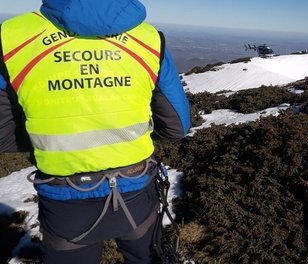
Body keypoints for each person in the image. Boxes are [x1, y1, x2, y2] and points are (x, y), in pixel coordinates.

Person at [0, 0, 191, 263]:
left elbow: (2, 134)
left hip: (64, 200)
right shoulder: (150, 39)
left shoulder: (10, 36)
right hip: (135, 191)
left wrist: (47, 136)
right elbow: (176, 126)